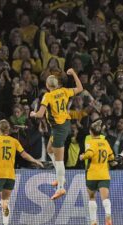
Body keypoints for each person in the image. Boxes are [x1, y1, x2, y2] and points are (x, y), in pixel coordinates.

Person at [30, 68, 83, 200]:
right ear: (57, 84)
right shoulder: (64, 91)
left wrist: (33, 114)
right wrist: (74, 73)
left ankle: (61, 187)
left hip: (59, 129)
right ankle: (61, 179)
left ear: (47, 86)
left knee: (59, 161)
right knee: (49, 150)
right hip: (63, 125)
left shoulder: (47, 96)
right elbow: (80, 88)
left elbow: (40, 114)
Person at [0, 119, 43, 225]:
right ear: (8, 129)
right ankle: (5, 222)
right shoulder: (14, 141)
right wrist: (35, 160)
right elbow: (24, 154)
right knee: (6, 201)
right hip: (10, 175)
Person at [80, 119, 114, 225]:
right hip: (104, 174)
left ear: (91, 132)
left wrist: (82, 156)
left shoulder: (90, 142)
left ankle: (93, 221)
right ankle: (108, 215)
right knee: (105, 199)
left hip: (92, 174)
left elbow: (89, 154)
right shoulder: (105, 142)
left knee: (91, 197)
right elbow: (111, 157)